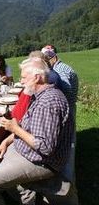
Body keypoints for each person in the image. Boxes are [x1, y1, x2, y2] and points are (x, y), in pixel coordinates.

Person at [0, 58, 73, 205]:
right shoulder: (40, 96)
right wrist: (6, 140)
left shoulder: (48, 103)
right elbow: (29, 128)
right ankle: (28, 196)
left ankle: (27, 193)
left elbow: (45, 147)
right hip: (27, 151)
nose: (21, 81)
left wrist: (14, 129)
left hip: (43, 162)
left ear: (37, 77)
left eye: (24, 77)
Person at [41, 45, 78, 182]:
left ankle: (67, 181)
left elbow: (66, 88)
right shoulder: (61, 67)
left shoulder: (60, 70)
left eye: (45, 60)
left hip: (67, 108)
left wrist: (54, 100)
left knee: (68, 142)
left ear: (53, 58)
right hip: (69, 106)